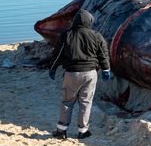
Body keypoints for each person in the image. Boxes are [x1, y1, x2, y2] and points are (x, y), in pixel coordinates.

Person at [46, 10, 112, 139]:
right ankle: (83, 131)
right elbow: (103, 55)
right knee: (86, 102)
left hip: (71, 74)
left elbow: (58, 54)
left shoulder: (66, 35)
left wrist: (52, 68)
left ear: (75, 21)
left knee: (67, 102)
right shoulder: (97, 35)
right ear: (89, 22)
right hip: (90, 74)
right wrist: (106, 69)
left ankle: (61, 130)